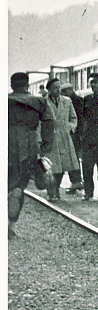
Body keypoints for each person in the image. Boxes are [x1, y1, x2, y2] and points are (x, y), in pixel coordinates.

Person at [9, 72, 55, 235]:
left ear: (12, 85)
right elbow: (49, 122)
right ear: (27, 85)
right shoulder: (39, 101)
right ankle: (11, 226)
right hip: (29, 146)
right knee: (21, 182)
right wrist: (46, 145)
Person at [43, 78, 79, 201]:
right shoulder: (43, 102)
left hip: (64, 137)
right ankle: (51, 192)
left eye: (59, 87)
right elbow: (39, 121)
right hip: (50, 138)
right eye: (55, 88)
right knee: (51, 167)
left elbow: (74, 118)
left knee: (62, 167)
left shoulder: (67, 101)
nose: (58, 90)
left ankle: (56, 189)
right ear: (49, 90)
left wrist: (70, 128)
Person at [79, 73, 98, 200]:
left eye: (95, 82)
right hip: (88, 137)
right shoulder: (87, 99)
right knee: (87, 166)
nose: (93, 85)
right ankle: (88, 192)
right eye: (91, 82)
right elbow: (83, 117)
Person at [59, 83, 85, 192]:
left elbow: (79, 118)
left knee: (71, 158)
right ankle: (76, 181)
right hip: (73, 133)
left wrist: (76, 133)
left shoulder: (76, 101)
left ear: (70, 90)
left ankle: (76, 181)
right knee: (71, 158)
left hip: (74, 133)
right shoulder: (75, 100)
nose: (63, 94)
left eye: (65, 91)